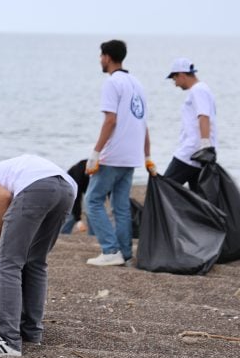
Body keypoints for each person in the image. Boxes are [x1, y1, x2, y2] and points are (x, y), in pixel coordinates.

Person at [0, 154, 76, 357]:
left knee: (7, 265)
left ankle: (8, 341)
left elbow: (2, 198)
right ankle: (32, 333)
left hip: (36, 188)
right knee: (36, 262)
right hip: (66, 190)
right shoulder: (6, 173)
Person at [85, 40, 156, 267]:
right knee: (121, 205)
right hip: (132, 155)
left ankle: (110, 250)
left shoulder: (112, 83)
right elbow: (143, 123)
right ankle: (124, 253)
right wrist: (146, 156)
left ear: (107, 57)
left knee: (93, 201)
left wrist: (96, 152)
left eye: (101, 56)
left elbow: (110, 120)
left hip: (114, 154)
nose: (100, 60)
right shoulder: (137, 83)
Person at [163, 57, 217, 191]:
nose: (175, 84)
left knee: (163, 189)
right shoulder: (203, 89)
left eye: (174, 79)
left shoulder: (198, 90)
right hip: (198, 154)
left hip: (191, 153)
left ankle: (156, 212)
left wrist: (205, 146)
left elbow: (204, 116)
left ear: (181, 75)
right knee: (199, 199)